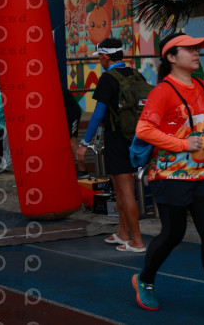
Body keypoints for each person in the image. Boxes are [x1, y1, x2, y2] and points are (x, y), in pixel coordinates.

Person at [131, 33, 204, 317]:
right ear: (171, 57)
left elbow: (200, 121)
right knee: (173, 234)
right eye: (189, 49)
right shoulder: (162, 91)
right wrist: (184, 144)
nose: (196, 53)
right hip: (170, 175)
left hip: (203, 173)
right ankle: (145, 280)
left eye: (197, 49)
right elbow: (144, 130)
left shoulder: (199, 85)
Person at [76, 37, 146, 252]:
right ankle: (123, 232)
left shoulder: (108, 78)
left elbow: (97, 115)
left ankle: (137, 241)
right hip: (137, 138)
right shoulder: (136, 74)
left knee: (125, 191)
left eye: (99, 56)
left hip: (117, 139)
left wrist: (84, 143)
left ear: (105, 57)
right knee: (120, 188)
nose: (99, 60)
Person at [62, 85, 89, 179]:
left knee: (73, 141)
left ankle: (83, 170)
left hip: (72, 115)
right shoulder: (55, 88)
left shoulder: (57, 89)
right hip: (66, 115)